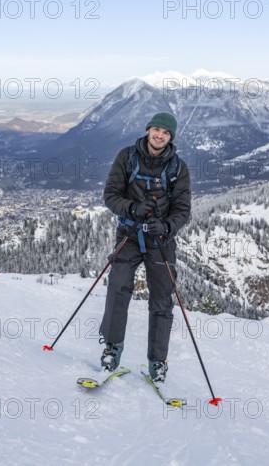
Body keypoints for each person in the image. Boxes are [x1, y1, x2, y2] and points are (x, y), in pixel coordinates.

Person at [99, 112, 191, 382]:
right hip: (128, 234)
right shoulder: (126, 157)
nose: (160, 135)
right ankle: (112, 348)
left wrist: (167, 226)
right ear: (148, 129)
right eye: (156, 129)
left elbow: (183, 209)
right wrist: (132, 208)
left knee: (162, 300)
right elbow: (110, 195)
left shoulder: (178, 168)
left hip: (160, 241)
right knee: (118, 288)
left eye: (166, 132)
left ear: (171, 137)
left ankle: (157, 361)